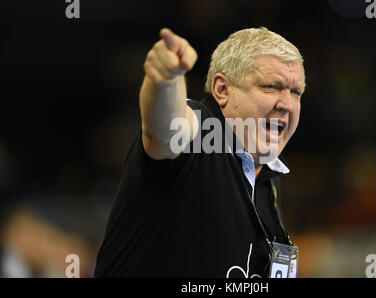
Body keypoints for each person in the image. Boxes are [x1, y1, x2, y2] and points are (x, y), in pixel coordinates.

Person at [94, 27, 306, 278]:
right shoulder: (201, 132)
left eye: (296, 92)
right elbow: (166, 129)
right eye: (271, 86)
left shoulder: (267, 174)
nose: (287, 104)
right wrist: (165, 80)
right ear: (222, 89)